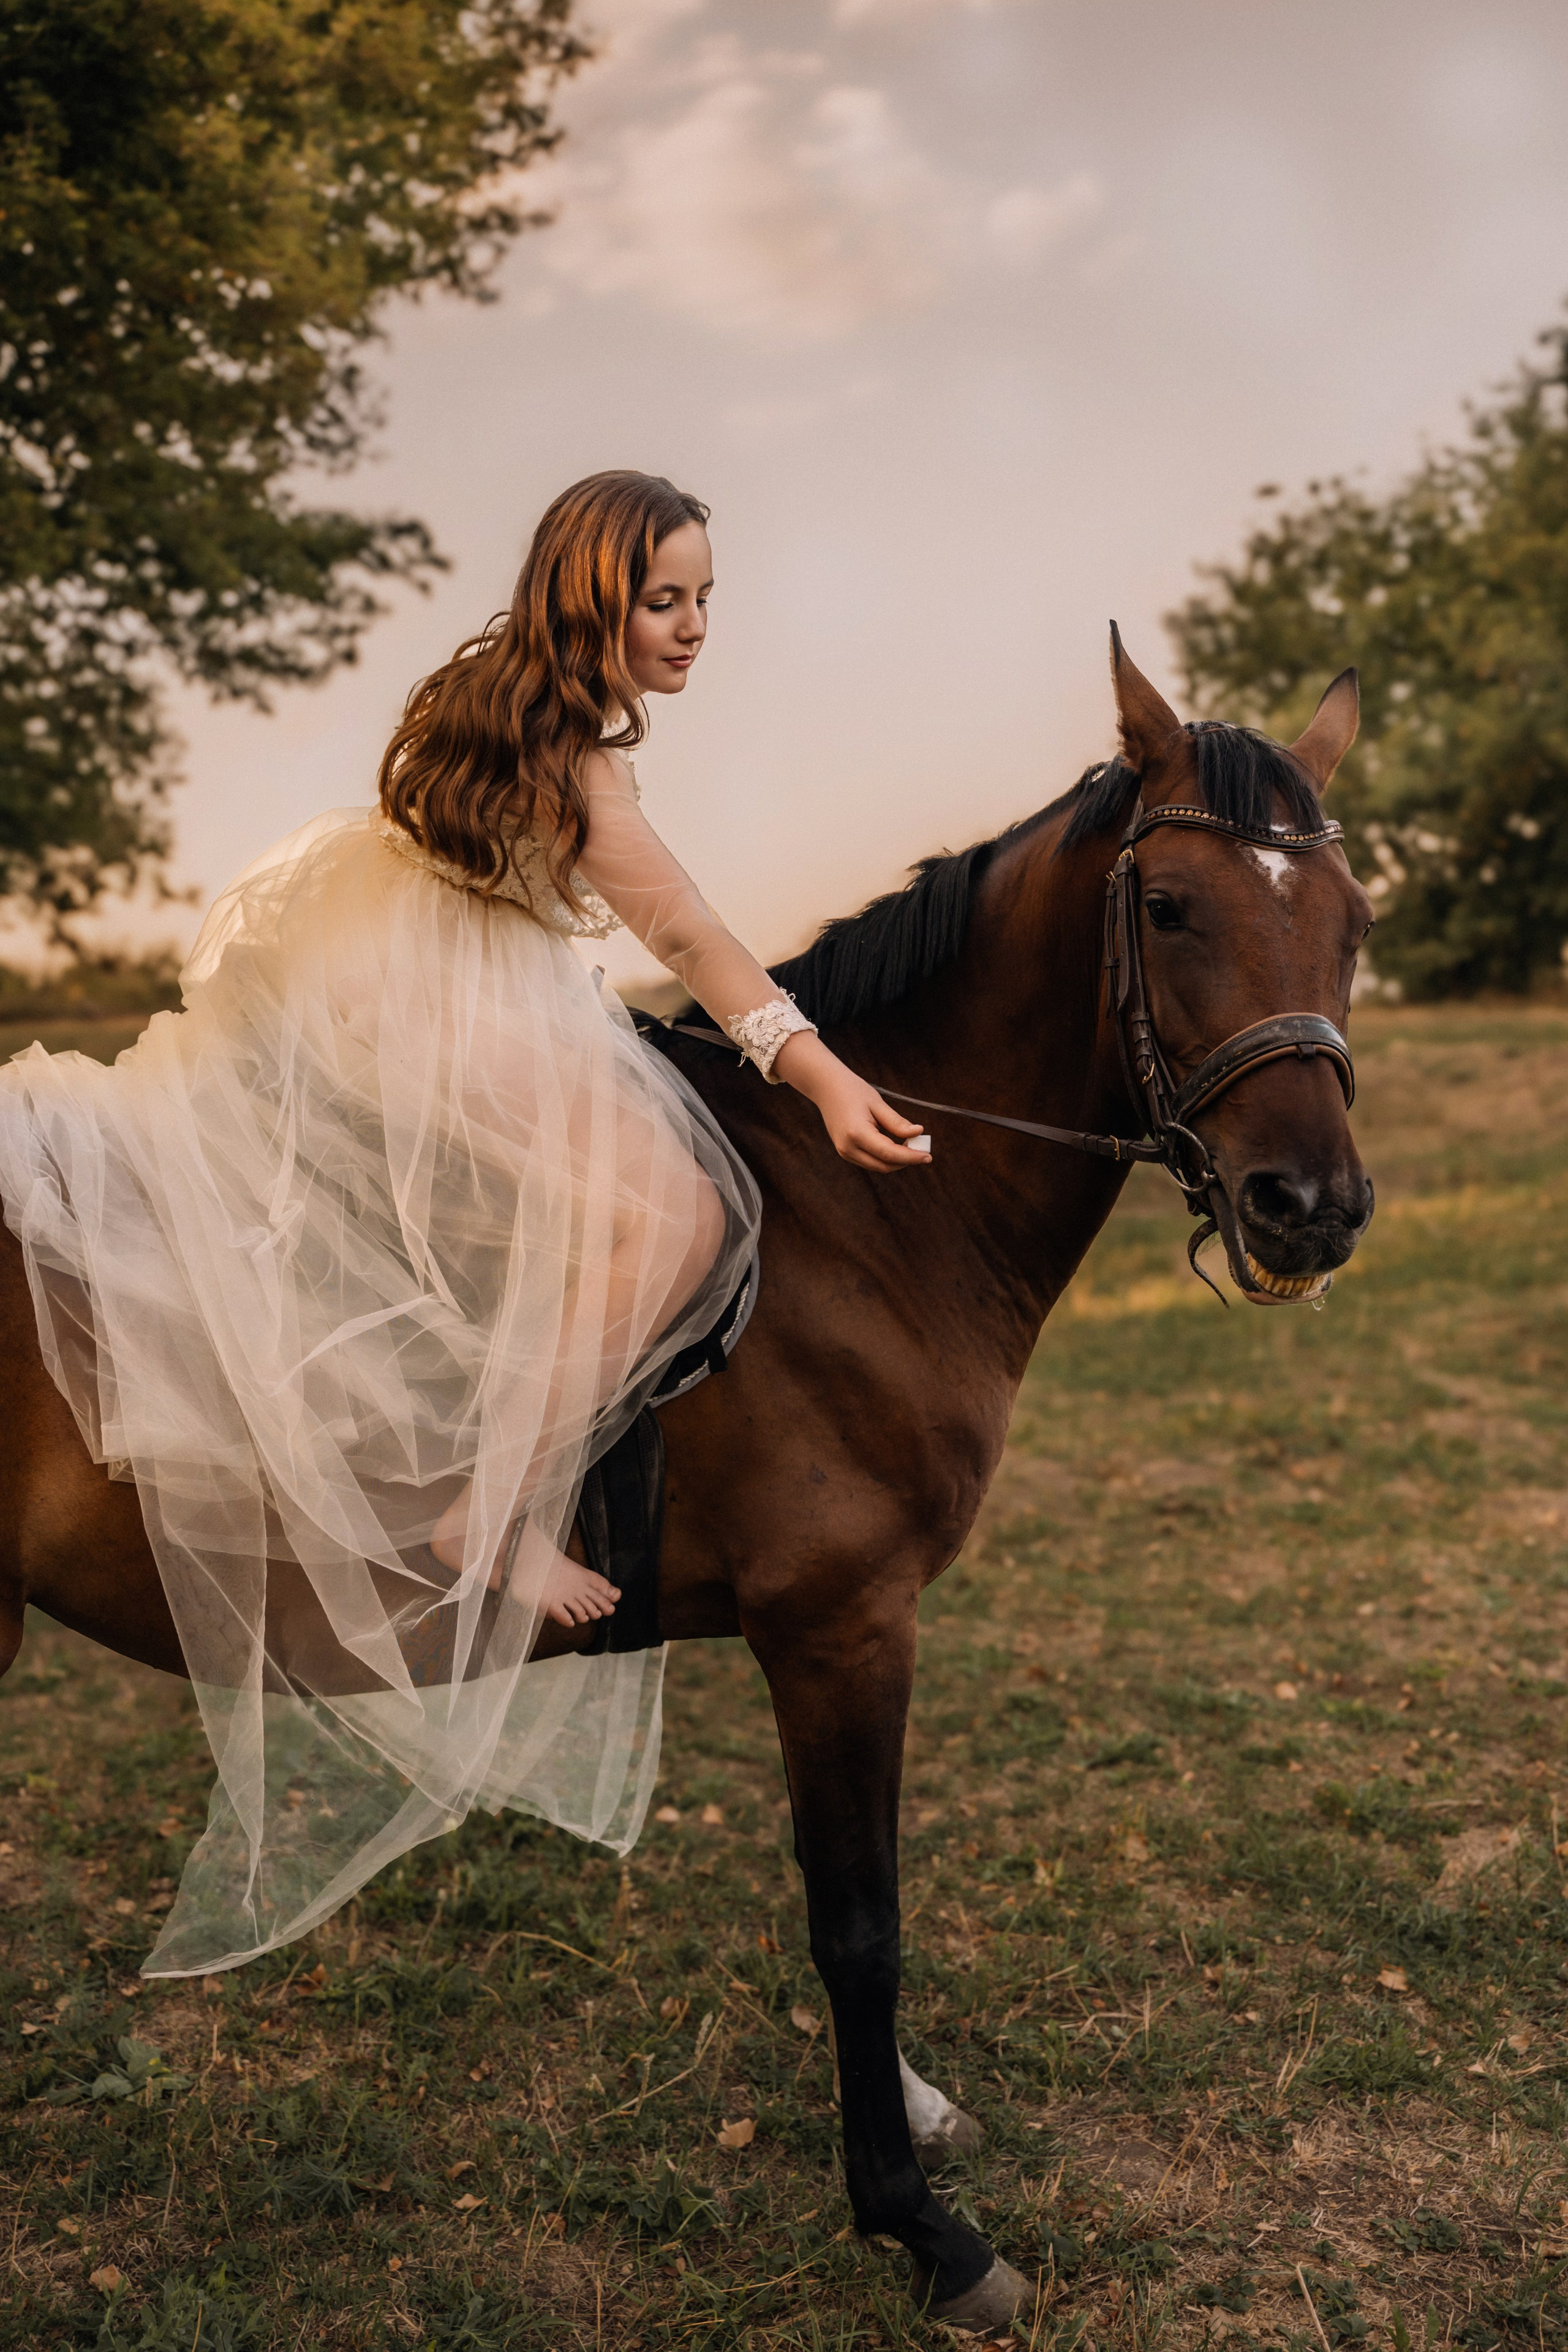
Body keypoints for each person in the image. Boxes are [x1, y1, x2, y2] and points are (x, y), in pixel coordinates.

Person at [0, 469, 928, 1975]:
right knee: (672, 1217)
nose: (692, 630)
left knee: (617, 1191)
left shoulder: (493, 698)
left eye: (705, 599)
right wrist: (817, 1075)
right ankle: (484, 1513)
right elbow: (685, 934)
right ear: (592, 596)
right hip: (432, 1008)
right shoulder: (578, 762)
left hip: (387, 979)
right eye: (664, 600)